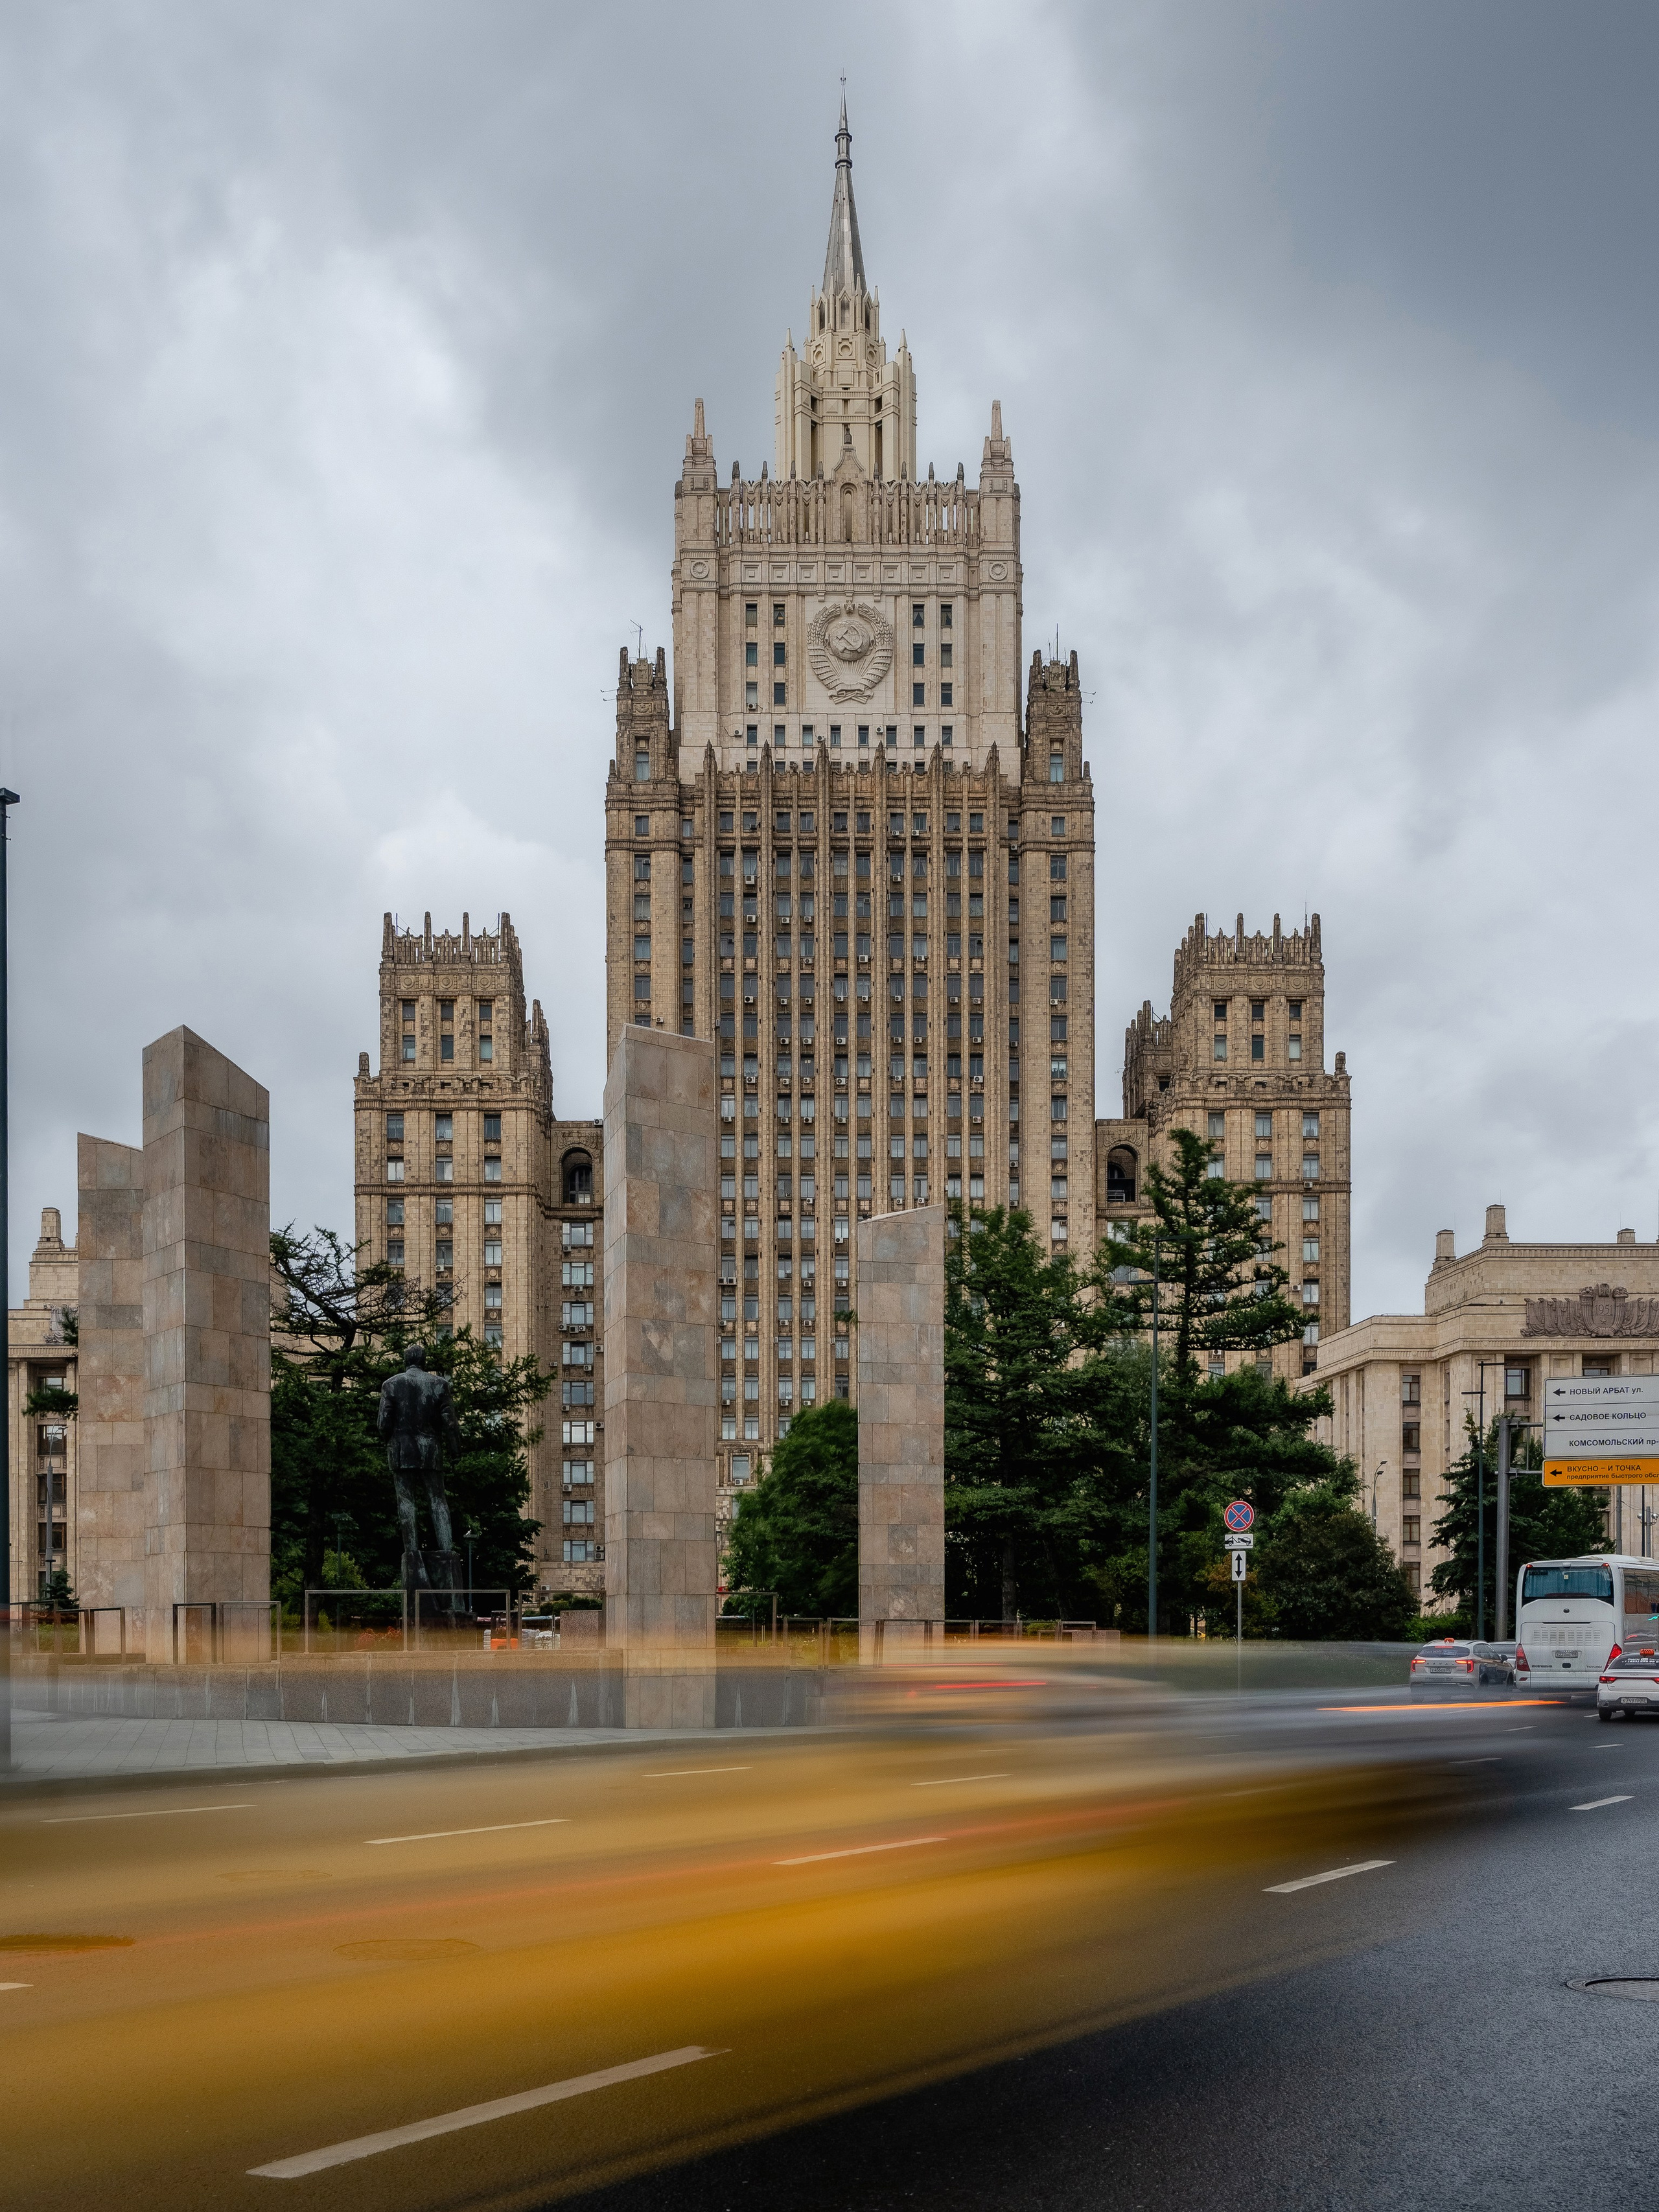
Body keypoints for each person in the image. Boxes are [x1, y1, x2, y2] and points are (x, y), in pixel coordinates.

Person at [377, 1344, 462, 1598]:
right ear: (424, 1361)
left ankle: (411, 1552)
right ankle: (447, 1549)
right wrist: (456, 1451)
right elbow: (450, 1423)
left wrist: (392, 1438)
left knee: (406, 1501)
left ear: (406, 1361)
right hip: (431, 1450)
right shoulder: (439, 1385)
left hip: (402, 1451)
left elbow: (383, 1424)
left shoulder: (391, 1384)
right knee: (438, 1499)